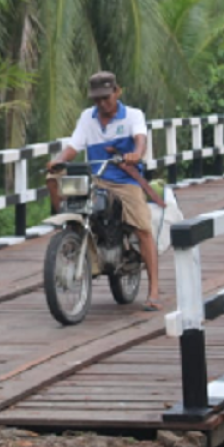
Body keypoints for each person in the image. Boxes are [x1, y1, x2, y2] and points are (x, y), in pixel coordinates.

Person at [47, 71, 166, 311]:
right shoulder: (87, 118)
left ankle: (154, 290)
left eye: (106, 98)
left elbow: (141, 140)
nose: (102, 104)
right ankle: (68, 231)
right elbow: (73, 146)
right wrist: (58, 161)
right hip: (97, 180)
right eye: (97, 100)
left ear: (117, 92)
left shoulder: (133, 115)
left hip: (125, 182)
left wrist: (136, 154)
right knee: (55, 178)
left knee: (143, 228)